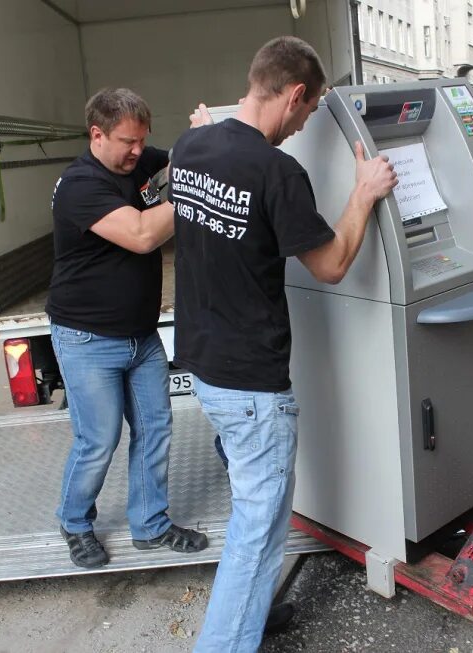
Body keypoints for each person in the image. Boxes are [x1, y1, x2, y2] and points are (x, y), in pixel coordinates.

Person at [171, 36, 397, 651]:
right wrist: (364, 192)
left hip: (204, 365)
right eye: (309, 110)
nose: (303, 126)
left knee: (254, 510)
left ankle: (250, 612)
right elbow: (329, 265)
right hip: (251, 383)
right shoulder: (277, 170)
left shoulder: (192, 145)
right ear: (296, 94)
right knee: (258, 526)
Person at [47, 88, 208, 568]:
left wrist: (207, 141)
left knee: (156, 429)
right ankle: (74, 522)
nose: (139, 151)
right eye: (127, 142)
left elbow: (182, 159)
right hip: (87, 337)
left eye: (143, 140)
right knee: (97, 441)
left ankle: (150, 525)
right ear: (97, 135)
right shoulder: (80, 184)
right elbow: (141, 235)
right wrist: (202, 189)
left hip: (141, 335)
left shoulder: (136, 161)